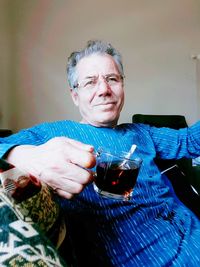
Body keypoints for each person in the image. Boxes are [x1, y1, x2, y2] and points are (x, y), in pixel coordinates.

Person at [0, 39, 200, 266]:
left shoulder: (142, 133)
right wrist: (25, 156)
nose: (104, 90)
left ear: (122, 86)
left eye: (112, 79)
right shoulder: (54, 134)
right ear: (75, 95)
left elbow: (190, 140)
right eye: (90, 82)